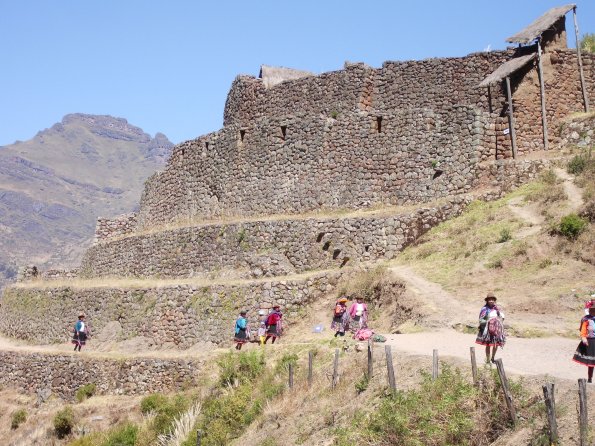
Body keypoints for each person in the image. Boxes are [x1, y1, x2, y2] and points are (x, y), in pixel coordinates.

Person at [475, 293, 506, 363]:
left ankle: (493, 358)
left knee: (496, 344)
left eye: (492, 299)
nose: (491, 301)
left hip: (496, 329)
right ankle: (488, 359)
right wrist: (488, 320)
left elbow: (501, 317)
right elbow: (481, 319)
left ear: (494, 300)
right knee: (488, 345)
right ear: (487, 301)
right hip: (488, 330)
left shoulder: (497, 308)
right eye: (490, 300)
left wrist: (498, 321)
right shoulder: (484, 309)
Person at [573, 306, 595, 383]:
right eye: (592, 309)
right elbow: (583, 331)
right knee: (591, 362)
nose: (593, 311)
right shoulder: (586, 319)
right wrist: (584, 338)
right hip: (591, 342)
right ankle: (590, 378)